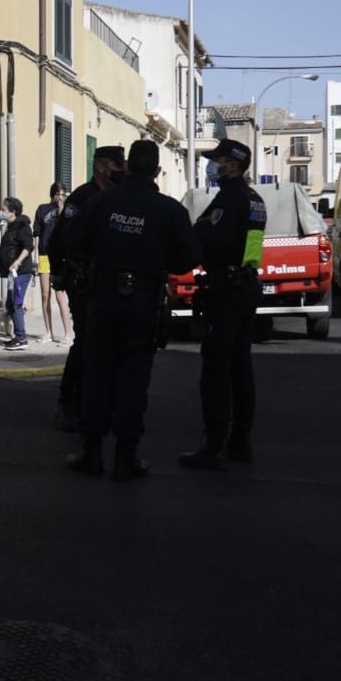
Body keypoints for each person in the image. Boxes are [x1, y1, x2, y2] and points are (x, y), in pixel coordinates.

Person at [61, 140, 198, 480]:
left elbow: (70, 238)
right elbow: (191, 257)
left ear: (127, 167)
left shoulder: (101, 201)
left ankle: (91, 451)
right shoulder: (168, 210)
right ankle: (126, 456)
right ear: (157, 171)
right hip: (143, 301)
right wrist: (161, 262)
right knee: (133, 379)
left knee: (97, 374)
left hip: (103, 298)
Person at [181, 139, 267, 470]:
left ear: (232, 165)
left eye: (216, 160)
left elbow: (203, 239)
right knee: (241, 368)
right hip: (245, 288)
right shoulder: (256, 199)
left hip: (226, 293)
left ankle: (213, 442)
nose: (211, 166)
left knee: (216, 370)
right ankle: (240, 441)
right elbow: (253, 250)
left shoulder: (228, 199)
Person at [45, 145, 126, 430]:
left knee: (108, 344)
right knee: (86, 343)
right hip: (85, 282)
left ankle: (98, 402)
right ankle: (68, 402)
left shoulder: (119, 196)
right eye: (118, 166)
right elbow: (58, 240)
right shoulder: (81, 198)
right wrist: (57, 271)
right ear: (102, 166)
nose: (123, 171)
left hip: (111, 282)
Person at [0, 197, 36, 349]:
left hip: (21, 272)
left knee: (16, 304)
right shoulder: (10, 227)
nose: (1, 213)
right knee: (10, 304)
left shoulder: (22, 227)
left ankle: (21, 339)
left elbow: (28, 246)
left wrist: (18, 262)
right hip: (13, 273)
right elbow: (8, 247)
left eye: (3, 210)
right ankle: (18, 336)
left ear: (13, 212)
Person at [33, 182, 72, 344]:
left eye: (63, 194)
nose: (60, 197)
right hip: (44, 256)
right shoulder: (42, 209)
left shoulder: (67, 210)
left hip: (59, 257)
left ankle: (68, 334)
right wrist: (35, 256)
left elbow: (68, 228)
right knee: (45, 295)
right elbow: (37, 234)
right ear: (52, 194)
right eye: (58, 194)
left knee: (60, 295)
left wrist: (62, 209)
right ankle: (48, 332)